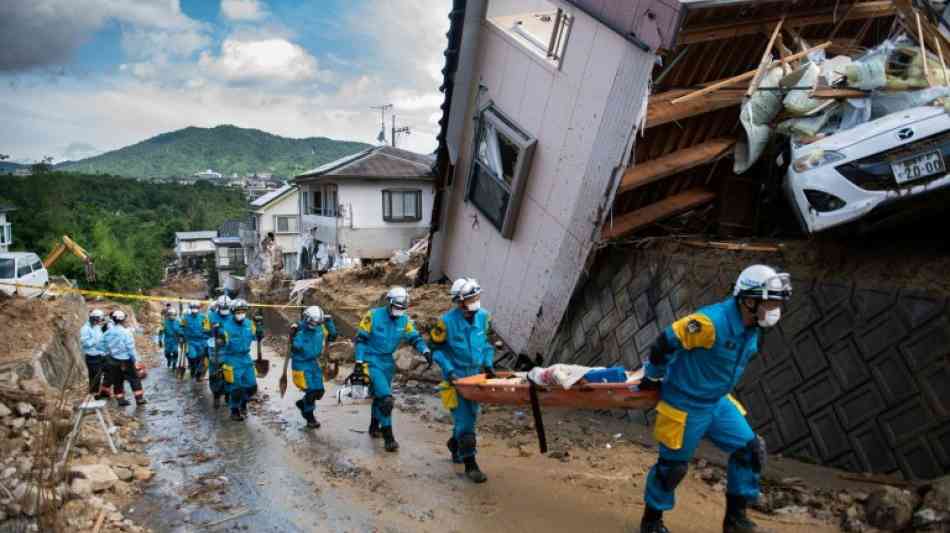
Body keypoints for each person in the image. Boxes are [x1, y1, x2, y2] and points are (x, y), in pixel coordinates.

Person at [637, 265, 791, 533]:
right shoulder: (710, 323)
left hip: (716, 402)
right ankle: (651, 521)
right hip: (684, 403)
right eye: (770, 302)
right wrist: (652, 376)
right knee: (672, 468)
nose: (775, 308)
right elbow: (665, 342)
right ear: (749, 299)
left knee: (750, 450)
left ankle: (735, 521)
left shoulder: (752, 326)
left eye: (778, 302)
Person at [430, 278, 493, 483]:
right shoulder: (445, 323)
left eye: (477, 297)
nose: (475, 301)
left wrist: (489, 363)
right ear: (460, 302)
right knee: (466, 422)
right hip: (455, 379)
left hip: (476, 376)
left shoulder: (483, 317)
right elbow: (436, 350)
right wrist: (449, 371)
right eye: (471, 299)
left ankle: (454, 444)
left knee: (472, 416)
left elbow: (486, 344)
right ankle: (470, 465)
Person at [354, 286, 432, 452]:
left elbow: (414, 337)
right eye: (396, 307)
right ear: (389, 303)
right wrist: (359, 362)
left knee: (379, 397)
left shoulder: (404, 320)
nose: (399, 311)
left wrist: (425, 350)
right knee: (386, 400)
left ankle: (374, 427)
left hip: (387, 362)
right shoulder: (373, 316)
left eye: (402, 308)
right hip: (371, 359)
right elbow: (361, 339)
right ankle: (389, 437)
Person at [289, 306, 337, 428]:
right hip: (300, 364)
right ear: (307, 319)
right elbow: (294, 348)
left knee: (319, 392)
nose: (314, 325)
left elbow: (332, 335)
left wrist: (329, 322)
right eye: (312, 322)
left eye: (317, 323)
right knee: (311, 391)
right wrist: (293, 335)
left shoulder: (320, 329)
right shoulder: (300, 330)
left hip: (313, 363)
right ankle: (310, 417)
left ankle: (302, 404)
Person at [215, 299, 260, 421]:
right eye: (238, 311)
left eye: (243, 311)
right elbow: (221, 343)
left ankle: (243, 403)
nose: (241, 314)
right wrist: (220, 339)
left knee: (251, 386)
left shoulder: (249, 324)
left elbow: (257, 336)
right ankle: (234, 410)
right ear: (233, 312)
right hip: (232, 359)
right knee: (236, 388)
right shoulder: (226, 326)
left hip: (246, 358)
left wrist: (260, 328)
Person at [102, 309, 146, 407]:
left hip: (113, 360)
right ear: (123, 320)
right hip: (126, 360)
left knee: (117, 380)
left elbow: (103, 345)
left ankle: (121, 400)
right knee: (134, 379)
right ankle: (139, 399)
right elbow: (130, 348)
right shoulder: (126, 332)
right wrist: (136, 360)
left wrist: (108, 354)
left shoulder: (107, 333)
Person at [204, 295, 232, 408]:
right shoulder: (211, 316)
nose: (225, 311)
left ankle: (228, 394)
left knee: (228, 374)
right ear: (218, 307)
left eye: (227, 308)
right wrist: (213, 333)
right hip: (215, 351)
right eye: (222, 308)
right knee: (214, 374)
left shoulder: (233, 317)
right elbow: (205, 331)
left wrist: (226, 337)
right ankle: (216, 395)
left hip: (229, 351)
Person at [80, 309, 107, 396]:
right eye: (98, 320)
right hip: (92, 356)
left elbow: (101, 337)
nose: (99, 322)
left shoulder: (96, 327)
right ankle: (93, 393)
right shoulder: (85, 329)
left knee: (103, 374)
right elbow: (85, 343)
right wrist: (95, 341)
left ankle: (101, 391)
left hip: (100, 354)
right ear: (94, 319)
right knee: (95, 376)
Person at [181, 302, 209, 381]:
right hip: (191, 341)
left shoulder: (203, 318)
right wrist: (182, 335)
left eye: (196, 308)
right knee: (192, 356)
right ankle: (192, 367)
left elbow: (207, 329)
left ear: (199, 308)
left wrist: (207, 337)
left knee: (200, 358)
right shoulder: (185, 318)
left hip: (201, 341)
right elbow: (181, 327)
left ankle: (198, 373)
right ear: (190, 308)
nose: (194, 309)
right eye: (193, 308)